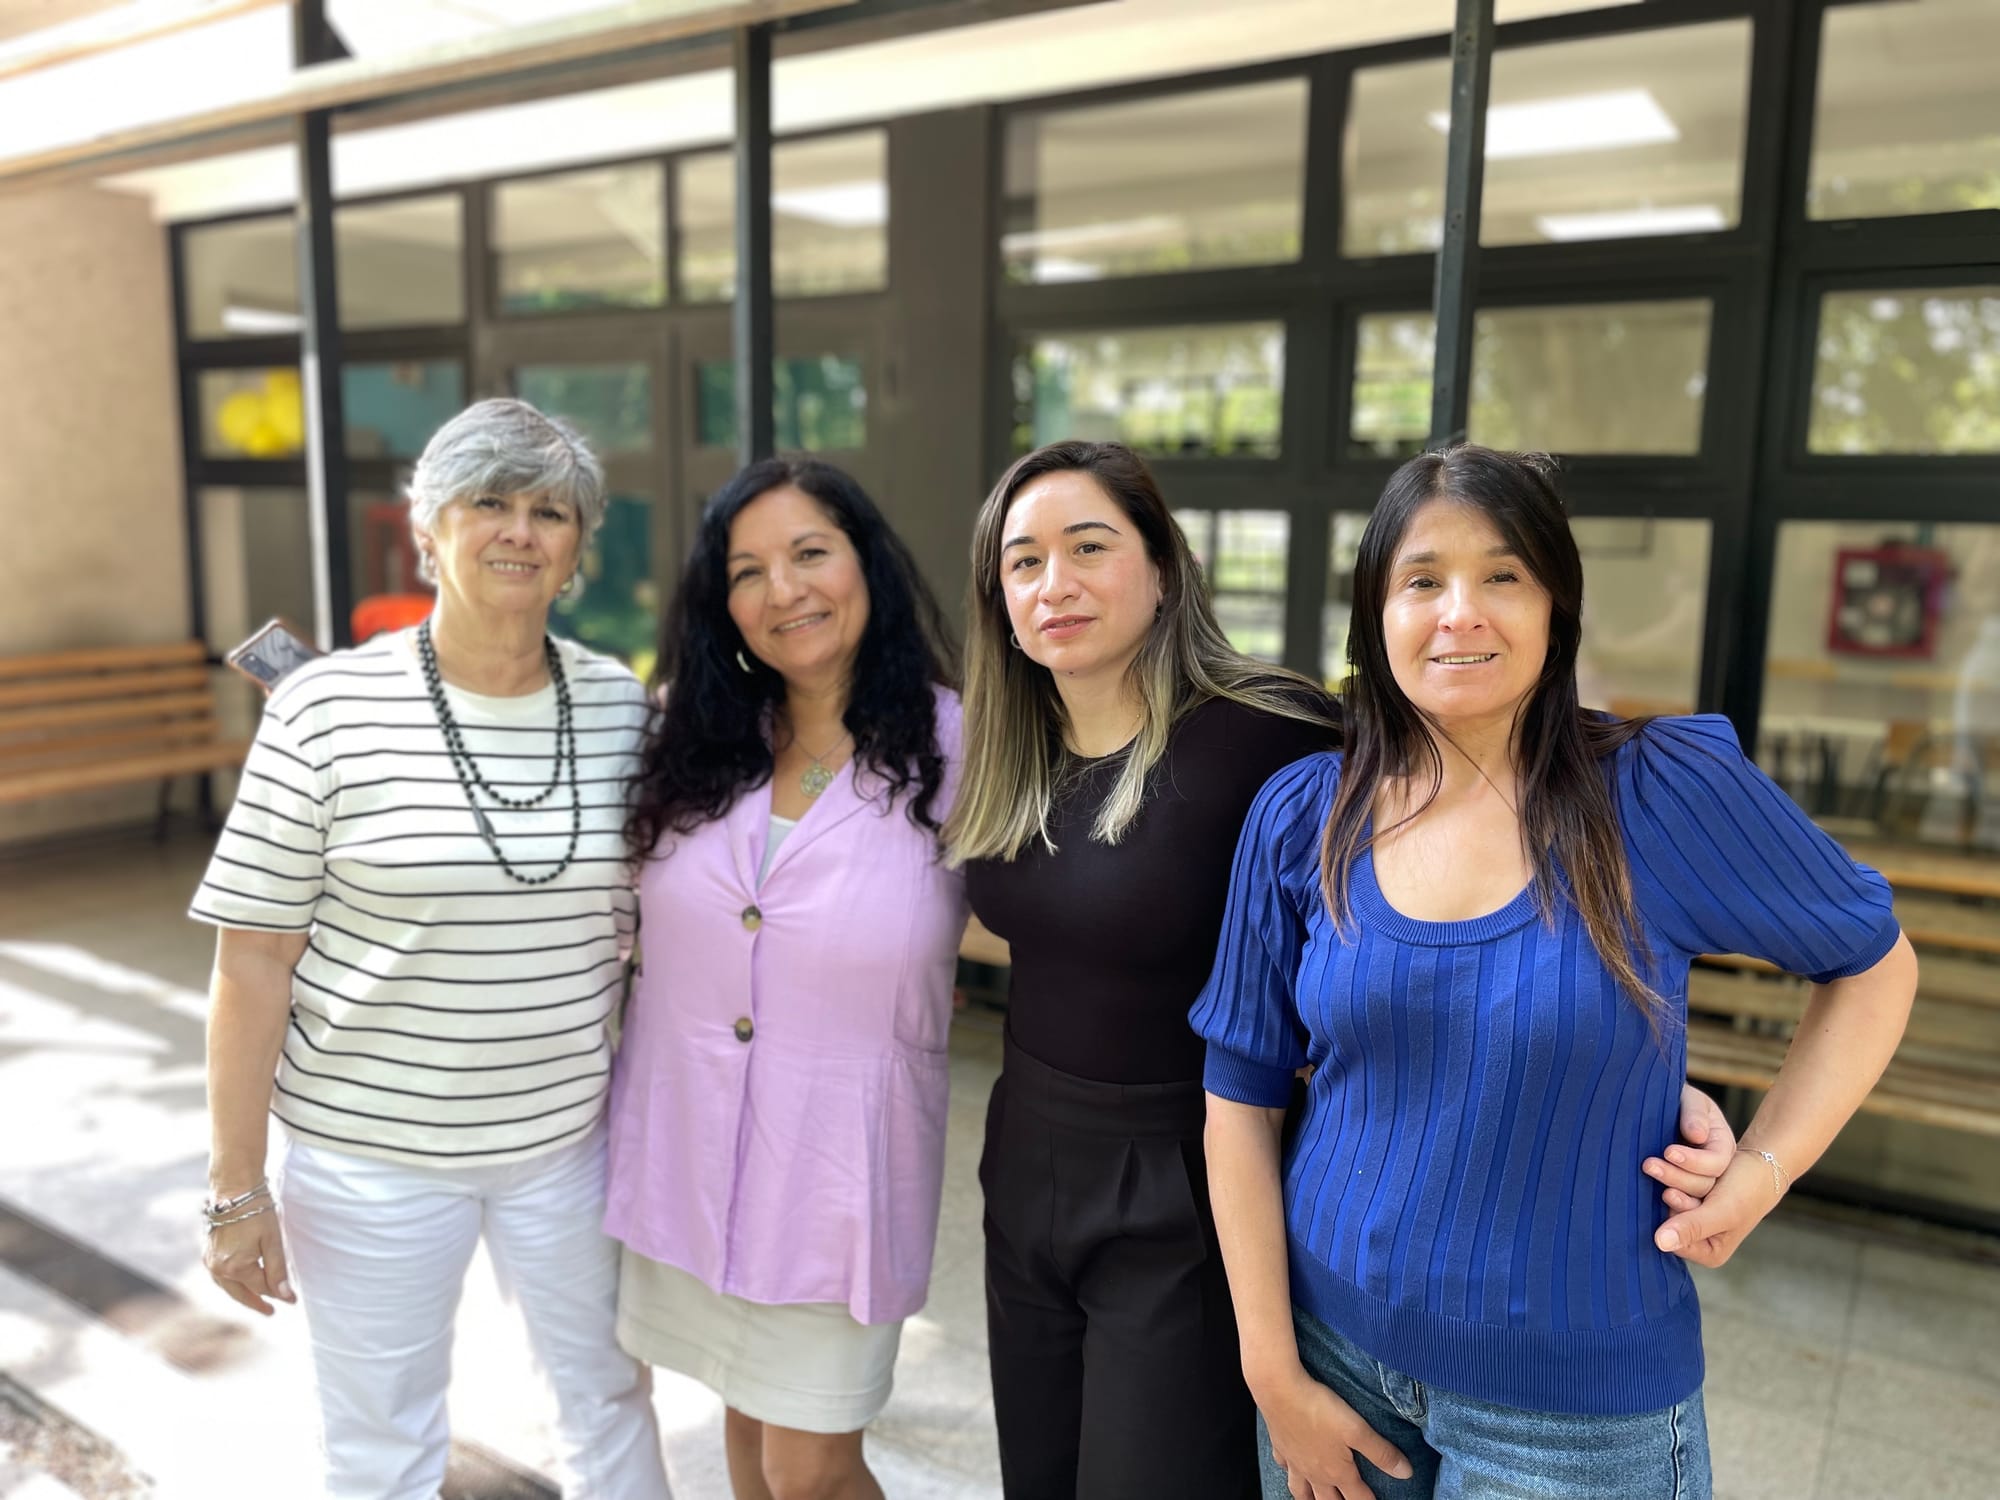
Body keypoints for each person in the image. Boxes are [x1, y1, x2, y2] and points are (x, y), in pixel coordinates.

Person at [1195, 444, 1919, 1500]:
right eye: (1419, 580)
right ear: (1375, 616)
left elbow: (1871, 965)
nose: (1460, 613)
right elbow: (1239, 1103)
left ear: (1554, 607)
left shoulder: (1661, 793)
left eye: (1502, 576)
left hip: (1575, 1419)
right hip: (1331, 1361)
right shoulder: (1306, 813)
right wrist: (1270, 1372)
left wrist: (1762, 1171)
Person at [190, 398, 671, 1500]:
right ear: (429, 528)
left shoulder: (616, 709)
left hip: (565, 1148)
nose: (518, 529)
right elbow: (253, 959)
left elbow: (658, 915)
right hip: (369, 1162)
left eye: (549, 510)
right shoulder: (321, 710)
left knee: (607, 1401)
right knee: (380, 1442)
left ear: (577, 552)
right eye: (488, 501)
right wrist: (233, 1187)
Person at [606, 457, 963, 1500]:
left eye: (810, 553)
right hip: (692, 1154)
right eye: (748, 570)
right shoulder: (687, 733)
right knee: (745, 1424)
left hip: (835, 1172)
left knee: (810, 1468)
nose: (784, 590)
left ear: (867, 566)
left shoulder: (961, 743)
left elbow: (1031, 917)